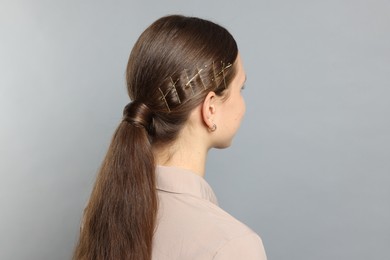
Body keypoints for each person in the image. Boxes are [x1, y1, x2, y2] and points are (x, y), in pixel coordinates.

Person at [73, 15, 267, 260]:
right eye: (241, 89)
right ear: (210, 109)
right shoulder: (233, 246)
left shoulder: (99, 218)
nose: (243, 103)